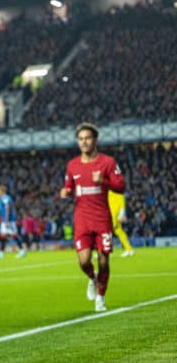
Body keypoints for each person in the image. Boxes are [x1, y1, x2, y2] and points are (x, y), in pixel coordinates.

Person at [60, 122, 125, 312]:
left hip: (102, 218)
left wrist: (103, 180)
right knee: (83, 261)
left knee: (104, 260)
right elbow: (70, 188)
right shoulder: (72, 165)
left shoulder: (108, 162)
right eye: (80, 139)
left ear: (95, 139)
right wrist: (66, 192)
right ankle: (92, 278)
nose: (84, 142)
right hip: (82, 220)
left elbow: (121, 187)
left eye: (87, 138)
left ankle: (101, 297)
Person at [0, 185, 27, 259]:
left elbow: (7, 208)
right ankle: (1, 253)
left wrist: (7, 221)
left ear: (2, 191)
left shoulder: (5, 198)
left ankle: (22, 251)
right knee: (3, 236)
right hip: (4, 220)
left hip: (8, 221)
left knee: (14, 235)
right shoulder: (3, 198)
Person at [108, 190, 134, 257]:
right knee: (118, 231)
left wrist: (122, 212)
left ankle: (105, 251)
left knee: (106, 230)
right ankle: (129, 249)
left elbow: (121, 199)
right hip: (112, 212)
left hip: (114, 213)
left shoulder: (115, 188)